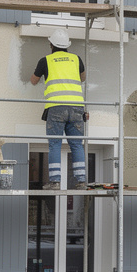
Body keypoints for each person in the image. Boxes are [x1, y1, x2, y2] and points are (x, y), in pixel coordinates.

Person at [29, 29, 87, 190]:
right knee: (76, 145)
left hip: (56, 107)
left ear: (51, 44)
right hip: (76, 107)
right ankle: (81, 181)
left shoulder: (45, 60)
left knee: (55, 144)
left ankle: (55, 182)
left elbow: (33, 81)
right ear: (67, 45)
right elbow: (82, 78)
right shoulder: (76, 59)